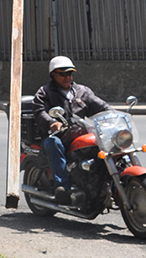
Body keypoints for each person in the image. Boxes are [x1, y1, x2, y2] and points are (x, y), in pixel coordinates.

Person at [32, 55, 110, 204]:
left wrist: (113, 115)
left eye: (70, 73)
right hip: (56, 135)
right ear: (53, 74)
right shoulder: (44, 92)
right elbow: (39, 112)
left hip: (78, 132)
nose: (67, 77)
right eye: (63, 74)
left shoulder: (82, 91)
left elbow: (100, 105)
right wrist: (51, 122)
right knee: (54, 144)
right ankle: (63, 188)